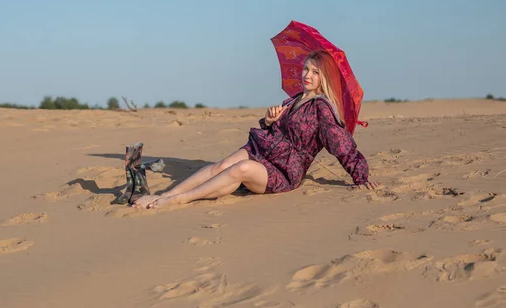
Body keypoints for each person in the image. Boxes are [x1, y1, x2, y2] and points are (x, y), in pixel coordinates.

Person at [133, 50, 378, 209]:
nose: (307, 75)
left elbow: (341, 145)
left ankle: (177, 200)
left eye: (315, 72)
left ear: (323, 77)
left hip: (284, 170)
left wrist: (361, 175)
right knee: (220, 166)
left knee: (241, 169)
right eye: (305, 69)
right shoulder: (294, 100)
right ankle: (165, 194)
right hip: (264, 148)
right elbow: (278, 129)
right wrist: (270, 121)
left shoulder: (322, 108)